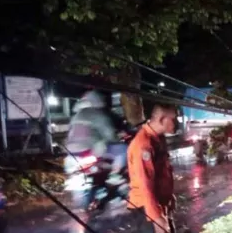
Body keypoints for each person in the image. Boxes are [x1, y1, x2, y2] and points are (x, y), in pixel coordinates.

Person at [65, 90, 120, 233]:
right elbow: (111, 136)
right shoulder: (98, 114)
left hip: (71, 159)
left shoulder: (76, 116)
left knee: (80, 204)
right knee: (120, 151)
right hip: (90, 155)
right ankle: (115, 178)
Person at [127, 103, 178, 233]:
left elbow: (163, 171)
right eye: (173, 119)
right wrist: (156, 217)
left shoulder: (158, 139)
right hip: (146, 208)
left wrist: (169, 196)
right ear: (161, 119)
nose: (176, 122)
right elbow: (145, 184)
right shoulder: (144, 145)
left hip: (158, 203)